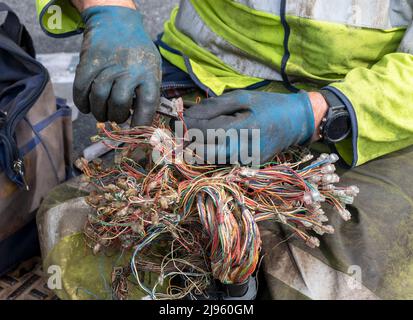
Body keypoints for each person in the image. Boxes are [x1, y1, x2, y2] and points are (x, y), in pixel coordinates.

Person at [35, 0, 413, 299]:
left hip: (375, 109)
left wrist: (320, 112)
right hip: (206, 75)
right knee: (81, 234)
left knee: (338, 277)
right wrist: (108, 9)